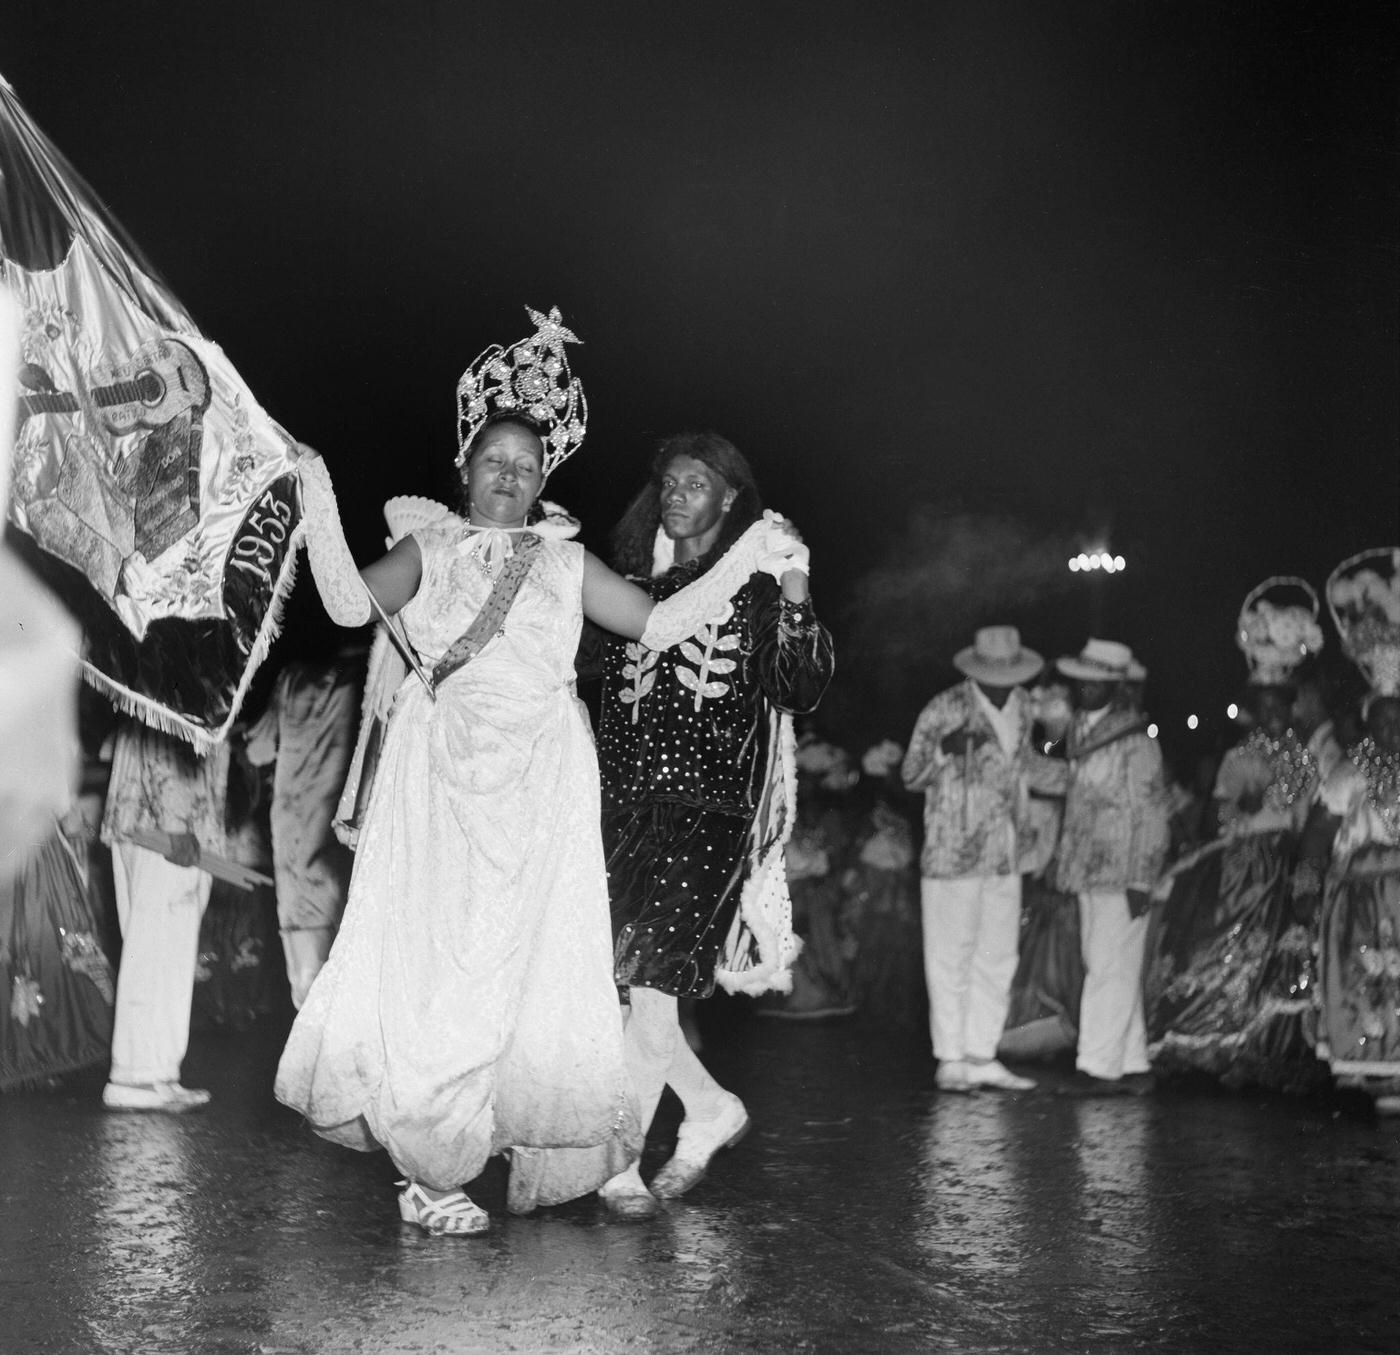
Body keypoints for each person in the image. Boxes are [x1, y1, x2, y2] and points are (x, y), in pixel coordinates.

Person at [275, 311, 807, 1235]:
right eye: (495, 460)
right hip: (443, 774)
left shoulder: (565, 563)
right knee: (445, 965)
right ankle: (426, 1163)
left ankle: (459, 1148)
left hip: (545, 781)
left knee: (522, 974)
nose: (510, 474)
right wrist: (315, 494)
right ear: (465, 469)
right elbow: (342, 601)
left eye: (527, 464)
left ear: (541, 477)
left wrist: (752, 558)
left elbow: (657, 623)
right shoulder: (428, 548)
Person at [593, 430, 834, 1218]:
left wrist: (795, 579)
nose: (676, 493)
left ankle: (618, 1162)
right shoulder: (632, 586)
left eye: (696, 482)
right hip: (621, 807)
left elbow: (798, 686)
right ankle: (711, 1108)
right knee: (626, 990)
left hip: (711, 812)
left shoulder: (757, 584)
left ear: (731, 497)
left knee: (657, 986)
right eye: (667, 481)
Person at [1144, 578, 1328, 1092]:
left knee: (1288, 950)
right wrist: (1242, 810)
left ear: (1290, 706)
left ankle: (1279, 1045)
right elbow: (1221, 819)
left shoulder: (1308, 756)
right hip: (1245, 863)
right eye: (1264, 705)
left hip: (1290, 860)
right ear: (1255, 706)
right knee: (1226, 944)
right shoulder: (1238, 757)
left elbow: (1316, 811)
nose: (1272, 713)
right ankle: (1221, 1038)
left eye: (1280, 705)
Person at [901, 625, 1046, 1093]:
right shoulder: (945, 707)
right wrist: (945, 750)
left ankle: (983, 1055)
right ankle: (951, 1057)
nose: (1003, 683)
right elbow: (910, 774)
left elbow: (1026, 766)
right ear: (976, 670)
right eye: (994, 675)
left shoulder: (1023, 706)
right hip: (952, 852)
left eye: (1010, 674)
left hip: (1004, 852)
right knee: (951, 955)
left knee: (998, 955)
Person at [1300, 548, 1400, 1114]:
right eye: (1381, 718)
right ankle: (1366, 1064)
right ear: (1369, 720)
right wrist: (1306, 885)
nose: (1390, 727)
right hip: (1359, 893)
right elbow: (1319, 830)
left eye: (1399, 717)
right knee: (1363, 978)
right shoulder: (1351, 769)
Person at [1052, 639, 1169, 1094]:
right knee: (1109, 962)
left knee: (1107, 965)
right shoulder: (1081, 730)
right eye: (1083, 679)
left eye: (1097, 682)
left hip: (1123, 871)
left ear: (1115, 686)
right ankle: (1133, 1061)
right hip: (1088, 868)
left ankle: (1098, 1068)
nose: (1086, 688)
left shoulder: (1135, 740)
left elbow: (1153, 813)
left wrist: (1143, 877)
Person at [100, 719, 229, 1111]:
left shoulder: (170, 669)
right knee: (156, 952)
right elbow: (168, 736)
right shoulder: (177, 669)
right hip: (165, 832)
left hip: (166, 828)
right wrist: (175, 825)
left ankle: (157, 1072)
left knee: (167, 956)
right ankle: (135, 1076)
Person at [244, 641, 366, 1008]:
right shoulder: (370, 673)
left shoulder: (294, 676)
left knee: (309, 990)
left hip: (299, 847)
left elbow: (257, 750)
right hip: (346, 846)